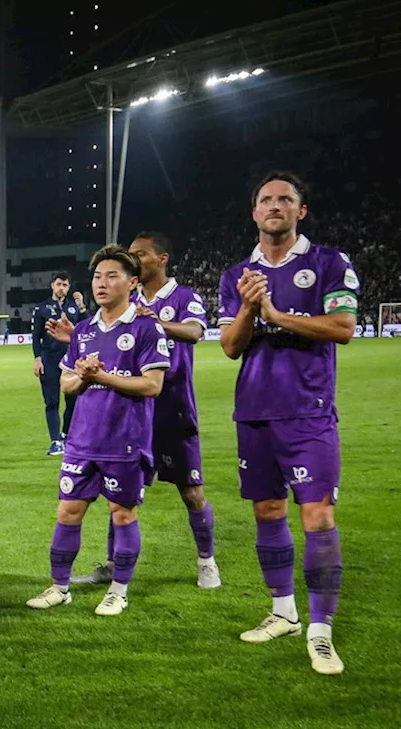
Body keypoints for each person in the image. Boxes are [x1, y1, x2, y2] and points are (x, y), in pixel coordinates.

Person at [219, 172, 357, 676]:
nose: (274, 206)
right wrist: (251, 309)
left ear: (302, 210)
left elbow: (342, 328)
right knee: (267, 510)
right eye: (265, 200)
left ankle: (321, 633)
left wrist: (274, 309)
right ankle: (283, 612)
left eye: (285, 199)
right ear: (254, 213)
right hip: (253, 412)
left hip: (308, 412)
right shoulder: (238, 273)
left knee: (317, 516)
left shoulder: (328, 263)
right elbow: (232, 346)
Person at [60, 234, 221, 590]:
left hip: (171, 407)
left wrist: (153, 324)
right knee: (118, 493)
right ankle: (113, 565)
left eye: (141, 255)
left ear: (161, 259)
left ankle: (206, 560)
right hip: (127, 413)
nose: (135, 259)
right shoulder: (125, 300)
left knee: (191, 490)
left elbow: (195, 332)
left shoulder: (183, 297)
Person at [26, 245, 169, 617]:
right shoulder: (85, 330)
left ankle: (119, 590)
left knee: (122, 515)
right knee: (68, 511)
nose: (101, 284)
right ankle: (60, 587)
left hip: (125, 440)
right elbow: (67, 383)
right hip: (82, 440)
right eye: (97, 276)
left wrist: (100, 375)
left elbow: (153, 385)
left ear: (132, 282)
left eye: (112, 276)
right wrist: (84, 377)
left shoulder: (146, 327)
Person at [32, 272, 87, 456]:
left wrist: (82, 307)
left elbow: (87, 328)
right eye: (58, 284)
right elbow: (36, 336)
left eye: (65, 285)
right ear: (52, 286)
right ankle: (56, 441)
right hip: (49, 359)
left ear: (69, 287)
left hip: (71, 360)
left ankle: (66, 434)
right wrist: (37, 358)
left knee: (73, 400)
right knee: (52, 401)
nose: (61, 288)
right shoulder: (42, 309)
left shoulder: (74, 308)